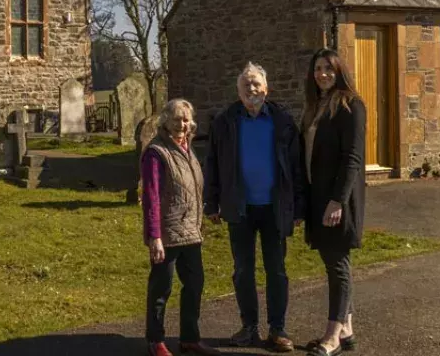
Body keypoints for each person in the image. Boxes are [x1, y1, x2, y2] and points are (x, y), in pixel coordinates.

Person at [203, 63, 305, 353]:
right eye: (246, 85)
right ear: (238, 91)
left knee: (277, 271)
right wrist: (211, 201)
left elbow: (296, 168)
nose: (251, 89)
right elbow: (212, 163)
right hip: (239, 208)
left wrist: (298, 207)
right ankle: (249, 327)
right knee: (243, 270)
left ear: (266, 88)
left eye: (256, 84)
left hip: (275, 207)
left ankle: (277, 329)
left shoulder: (283, 120)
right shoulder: (224, 122)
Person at [141, 99, 221, 356]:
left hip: (191, 232)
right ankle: (155, 341)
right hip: (167, 234)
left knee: (195, 284)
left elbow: (194, 187)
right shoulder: (156, 152)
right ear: (165, 121)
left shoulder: (188, 148)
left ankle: (189, 338)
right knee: (161, 289)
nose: (181, 124)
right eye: (176, 119)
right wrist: (154, 237)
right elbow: (151, 196)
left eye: (185, 119)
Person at [302, 49, 366, 356]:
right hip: (318, 197)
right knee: (336, 263)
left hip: (337, 200)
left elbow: (352, 158)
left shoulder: (351, 104)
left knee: (337, 265)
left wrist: (337, 200)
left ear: (339, 70)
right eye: (317, 68)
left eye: (328, 68)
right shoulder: (315, 107)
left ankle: (332, 335)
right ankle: (347, 328)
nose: (322, 73)